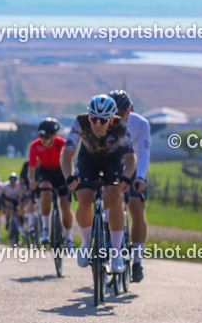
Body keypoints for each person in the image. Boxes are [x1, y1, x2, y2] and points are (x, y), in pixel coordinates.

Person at [61, 95, 136, 273]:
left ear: (111, 119)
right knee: (85, 198)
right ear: (89, 116)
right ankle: (86, 244)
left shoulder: (119, 125)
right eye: (94, 119)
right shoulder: (80, 122)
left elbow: (130, 159)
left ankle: (116, 254)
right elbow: (66, 155)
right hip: (88, 161)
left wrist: (126, 177)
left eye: (103, 120)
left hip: (113, 160)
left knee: (115, 195)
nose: (98, 124)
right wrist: (69, 176)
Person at [110, 89, 151, 282]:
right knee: (108, 204)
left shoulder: (140, 124)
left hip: (134, 167)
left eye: (121, 113)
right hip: (113, 165)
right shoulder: (104, 123)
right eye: (114, 113)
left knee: (136, 207)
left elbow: (143, 155)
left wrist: (140, 177)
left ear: (130, 110)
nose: (118, 117)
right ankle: (109, 247)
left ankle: (136, 261)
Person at [28, 117, 76, 250]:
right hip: (45, 172)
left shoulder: (63, 144)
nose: (43, 139)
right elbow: (32, 167)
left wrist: (70, 178)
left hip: (60, 172)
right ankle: (44, 229)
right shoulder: (35, 146)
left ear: (55, 135)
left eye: (47, 136)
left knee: (65, 205)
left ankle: (69, 238)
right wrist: (32, 180)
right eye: (41, 135)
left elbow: (69, 164)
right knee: (45, 188)